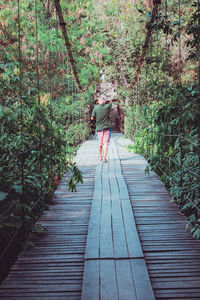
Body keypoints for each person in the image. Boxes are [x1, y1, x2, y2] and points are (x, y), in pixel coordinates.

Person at [91, 95, 112, 163]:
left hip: (99, 128)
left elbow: (92, 118)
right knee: (106, 143)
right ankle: (105, 159)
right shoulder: (107, 107)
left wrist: (96, 119)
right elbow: (110, 103)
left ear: (98, 101)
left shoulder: (96, 108)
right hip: (106, 128)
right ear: (104, 101)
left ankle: (100, 156)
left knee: (100, 144)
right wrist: (108, 101)